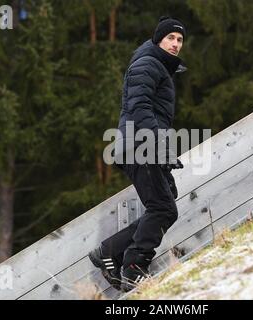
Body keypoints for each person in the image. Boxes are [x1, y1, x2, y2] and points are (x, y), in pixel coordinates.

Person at [89, 16, 187, 292]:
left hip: (143, 145)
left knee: (165, 202)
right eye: (170, 38)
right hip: (139, 146)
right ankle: (134, 266)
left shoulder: (158, 67)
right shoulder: (147, 64)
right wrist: (159, 146)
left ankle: (110, 251)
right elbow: (140, 107)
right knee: (163, 208)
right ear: (158, 39)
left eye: (180, 40)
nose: (176, 44)